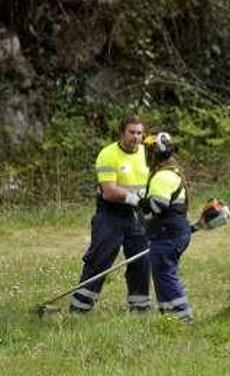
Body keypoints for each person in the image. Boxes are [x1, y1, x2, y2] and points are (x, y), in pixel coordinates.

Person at [69, 114, 152, 314]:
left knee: (141, 259)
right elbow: (109, 191)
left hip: (138, 216)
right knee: (100, 259)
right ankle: (80, 307)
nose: (136, 137)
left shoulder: (146, 153)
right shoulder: (108, 155)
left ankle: (140, 307)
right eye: (132, 132)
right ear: (122, 132)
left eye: (139, 133)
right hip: (111, 214)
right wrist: (136, 198)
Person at [138, 132, 193, 321]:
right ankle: (169, 318)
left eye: (148, 152)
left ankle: (182, 317)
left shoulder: (162, 176)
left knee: (165, 274)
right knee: (163, 274)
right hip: (171, 232)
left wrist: (139, 202)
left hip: (167, 233)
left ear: (155, 154)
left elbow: (157, 206)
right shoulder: (172, 172)